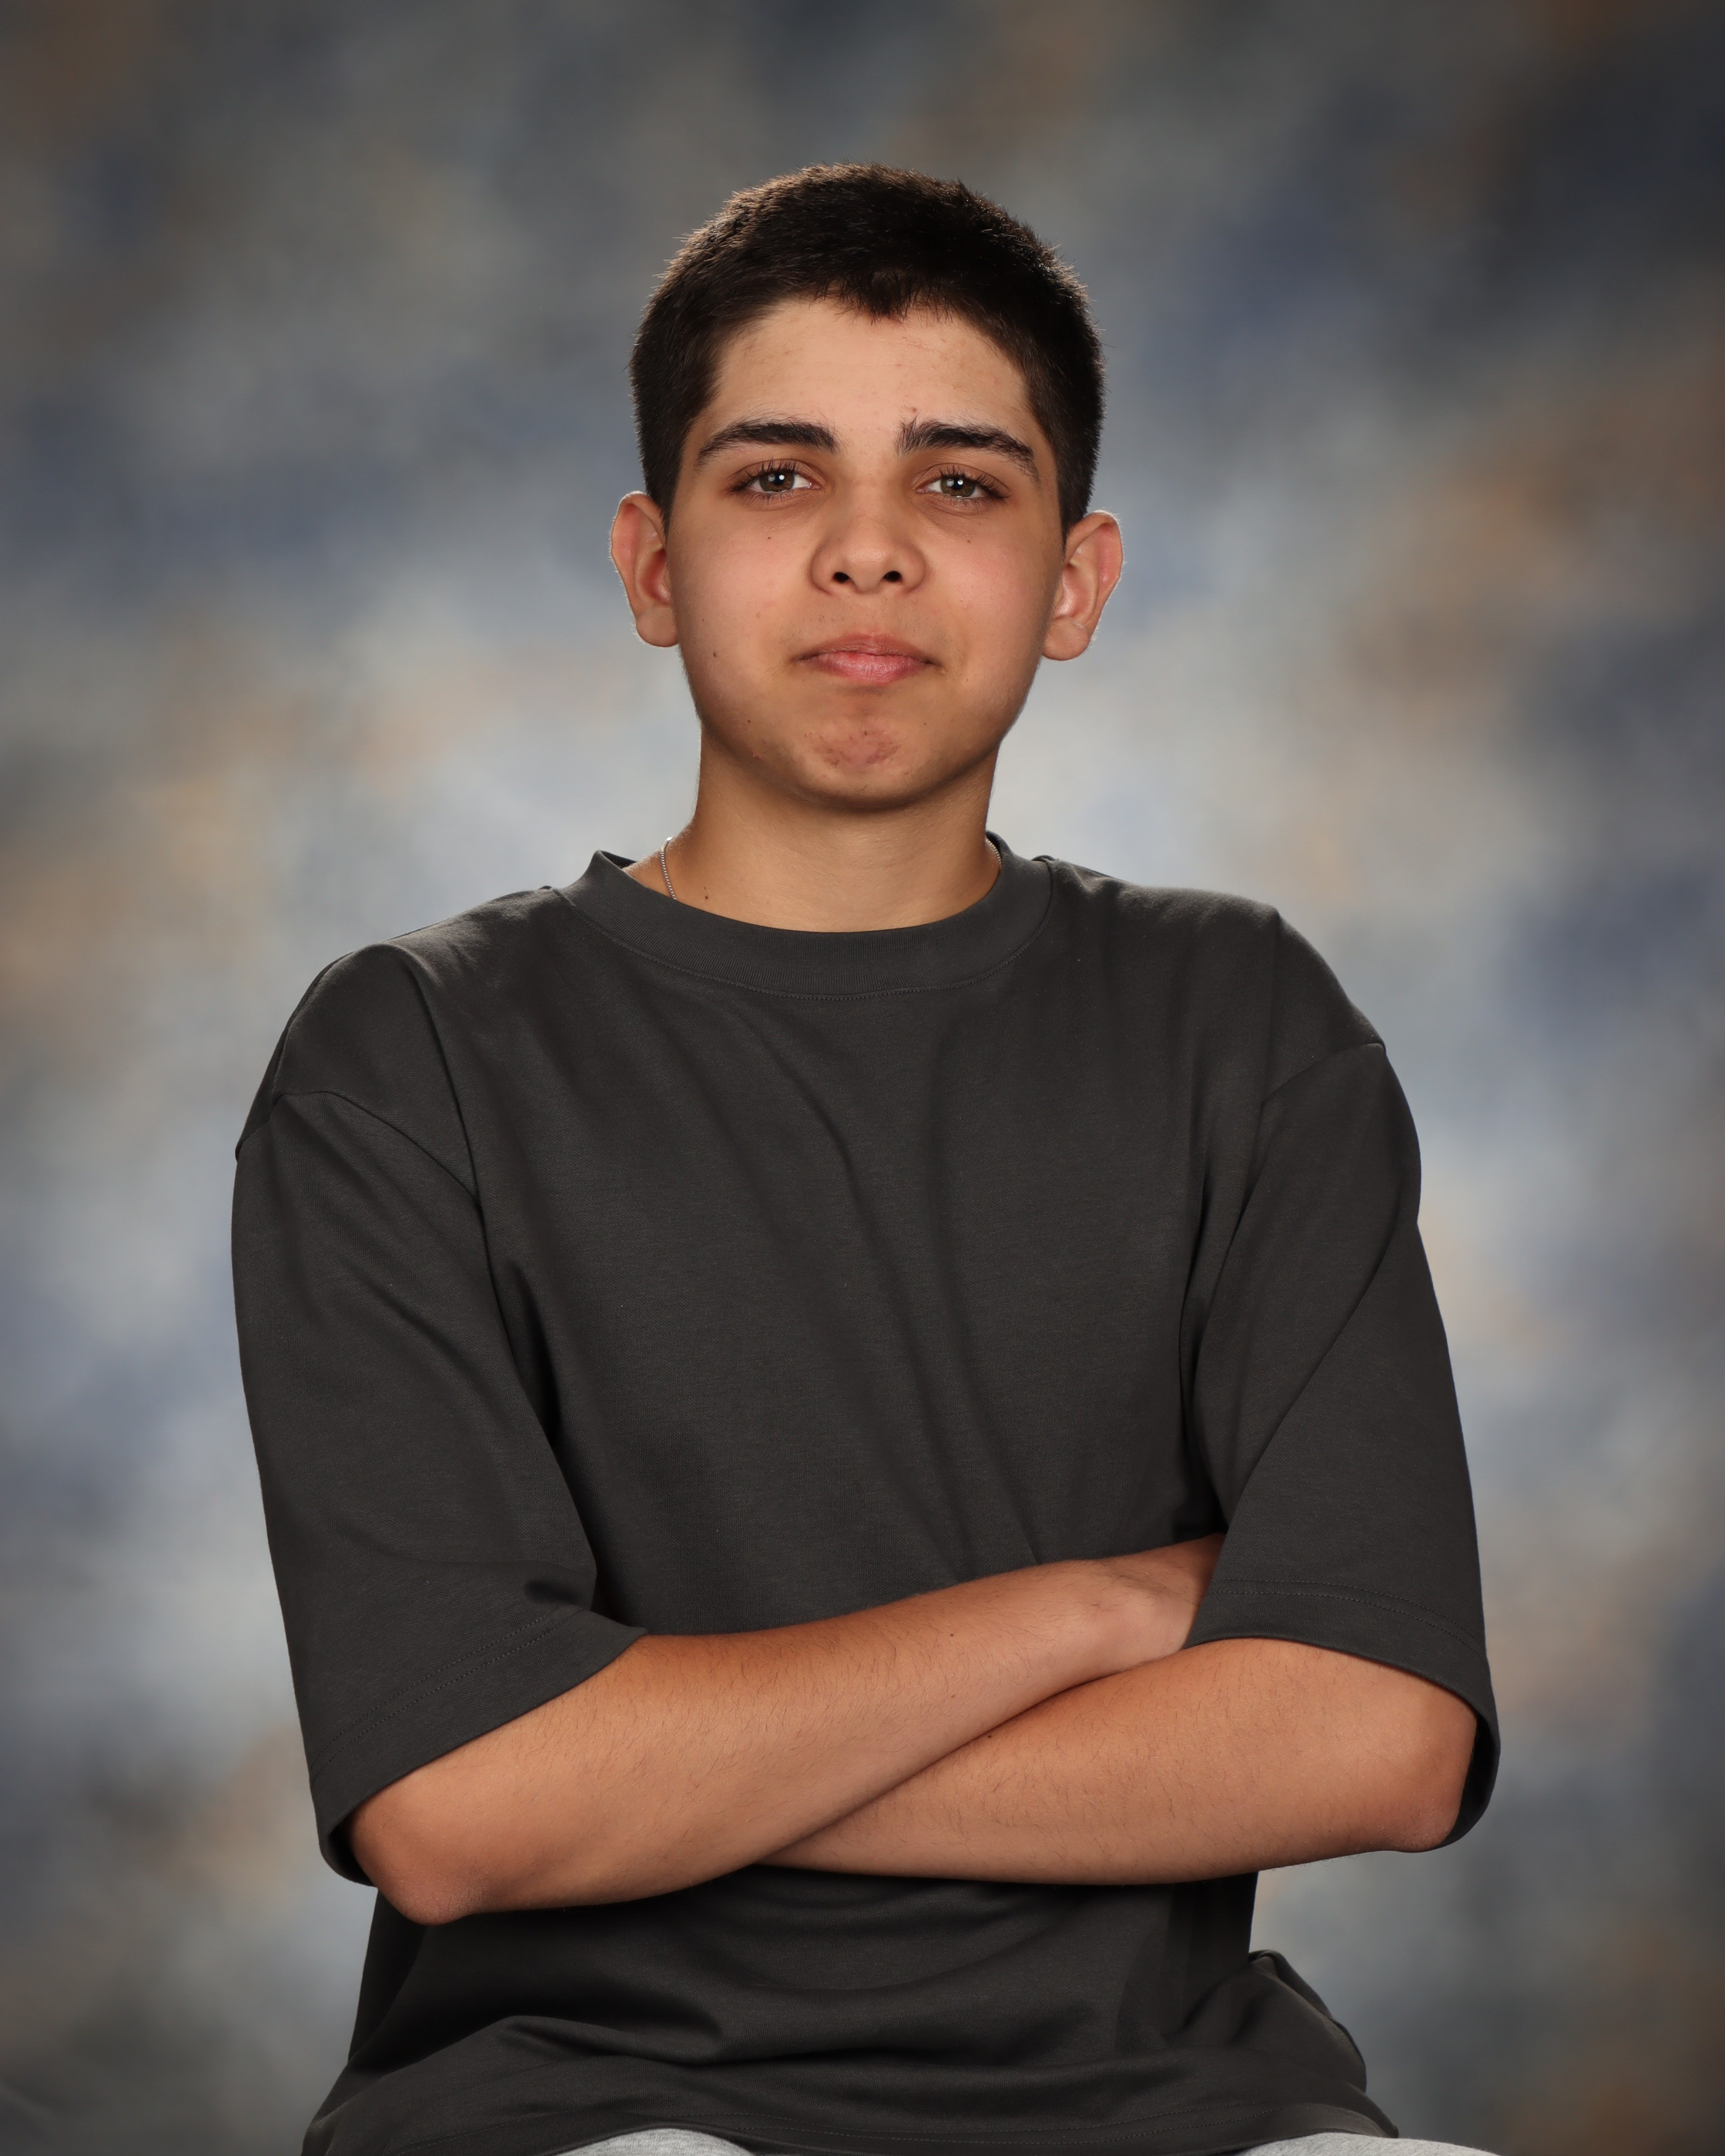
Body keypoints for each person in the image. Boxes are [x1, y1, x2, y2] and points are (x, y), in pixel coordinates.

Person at [233, 166, 1499, 2156]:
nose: (869, 553)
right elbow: (461, 1812)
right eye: (777, 477)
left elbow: (1381, 1738)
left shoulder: (1244, 1021)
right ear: (653, 564)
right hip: (584, 2105)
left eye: (961, 483)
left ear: (1074, 581)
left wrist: (638, 1770)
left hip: (1182, 2109)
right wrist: (1094, 1609)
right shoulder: (413, 1055)